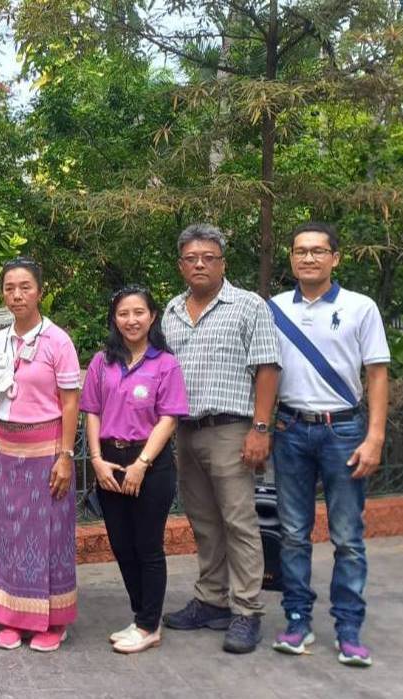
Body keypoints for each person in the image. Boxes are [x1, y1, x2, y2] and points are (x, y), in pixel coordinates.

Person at [268, 222, 389, 667]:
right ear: (292, 258)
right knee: (294, 534)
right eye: (301, 251)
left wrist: (374, 436)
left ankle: (348, 627)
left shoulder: (361, 308)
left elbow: (376, 374)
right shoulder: (274, 308)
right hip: (290, 430)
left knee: (347, 537)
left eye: (319, 251)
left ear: (336, 258)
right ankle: (297, 620)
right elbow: (265, 373)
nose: (309, 258)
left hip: (344, 432)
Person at [160, 223, 281, 654]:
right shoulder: (171, 311)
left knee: (239, 521)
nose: (199, 264)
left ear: (222, 262)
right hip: (185, 431)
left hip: (233, 430)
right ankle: (212, 600)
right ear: (180, 265)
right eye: (191, 258)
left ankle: (246, 610)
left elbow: (268, 367)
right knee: (204, 521)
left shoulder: (248, 306)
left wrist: (260, 429)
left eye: (208, 257)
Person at [0, 257, 80, 652]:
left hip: (46, 448)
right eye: (9, 288)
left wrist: (66, 455)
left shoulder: (57, 341)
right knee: (7, 529)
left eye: (25, 287)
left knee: (48, 533)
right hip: (6, 447)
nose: (16, 295)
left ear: (40, 291)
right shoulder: (0, 340)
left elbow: (71, 403)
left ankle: (52, 621)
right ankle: (12, 615)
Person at [80, 286, 189, 654]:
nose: (131, 320)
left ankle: (148, 625)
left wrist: (142, 464)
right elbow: (91, 411)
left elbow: (169, 418)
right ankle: (140, 615)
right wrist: (96, 459)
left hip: (150, 462)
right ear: (115, 318)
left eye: (139, 312)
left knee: (147, 546)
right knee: (122, 545)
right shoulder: (102, 362)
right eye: (124, 313)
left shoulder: (165, 364)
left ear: (152, 316)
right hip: (109, 458)